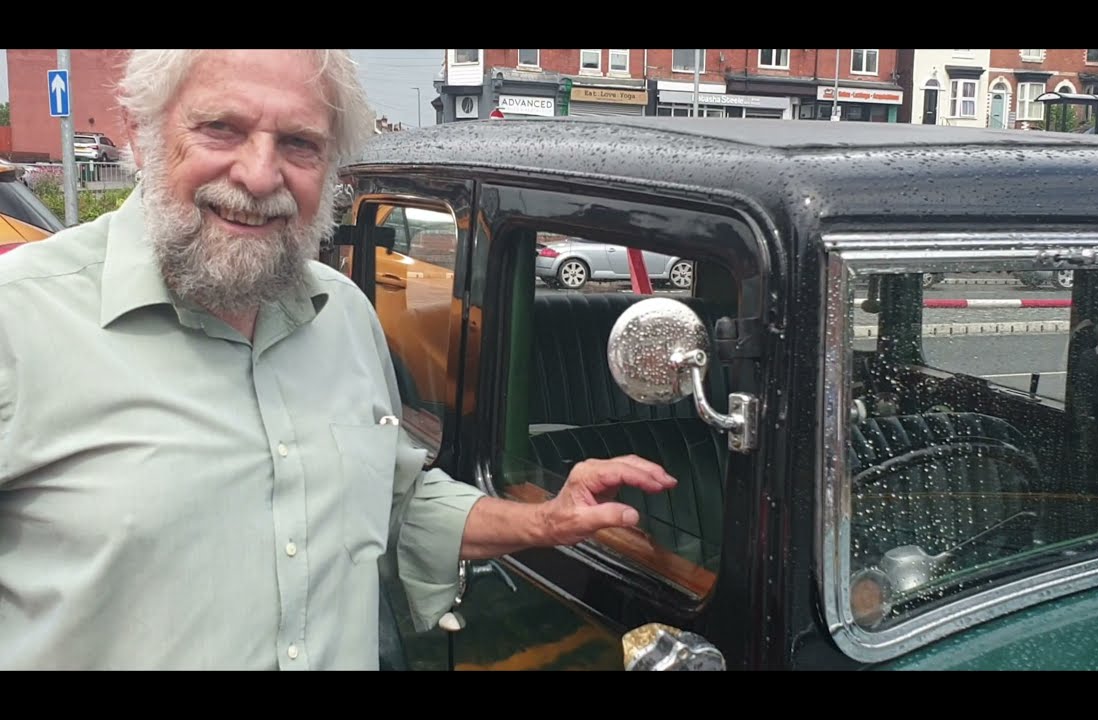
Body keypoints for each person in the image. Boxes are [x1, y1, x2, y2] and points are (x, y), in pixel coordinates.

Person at [0, 49, 677, 670]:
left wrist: (544, 520)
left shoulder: (345, 314)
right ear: (141, 130)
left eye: (299, 144)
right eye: (221, 129)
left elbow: (394, 501)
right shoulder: (20, 322)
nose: (261, 175)